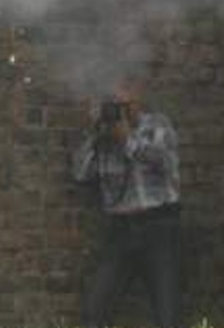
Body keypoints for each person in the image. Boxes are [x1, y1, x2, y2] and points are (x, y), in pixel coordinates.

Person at [71, 78, 183, 328]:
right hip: (120, 230)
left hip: (159, 227)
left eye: (125, 104)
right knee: (94, 311)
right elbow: (80, 174)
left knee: (168, 316)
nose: (120, 111)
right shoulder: (103, 137)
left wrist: (127, 139)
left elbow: (164, 162)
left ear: (138, 98)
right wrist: (93, 134)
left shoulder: (158, 125)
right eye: (115, 105)